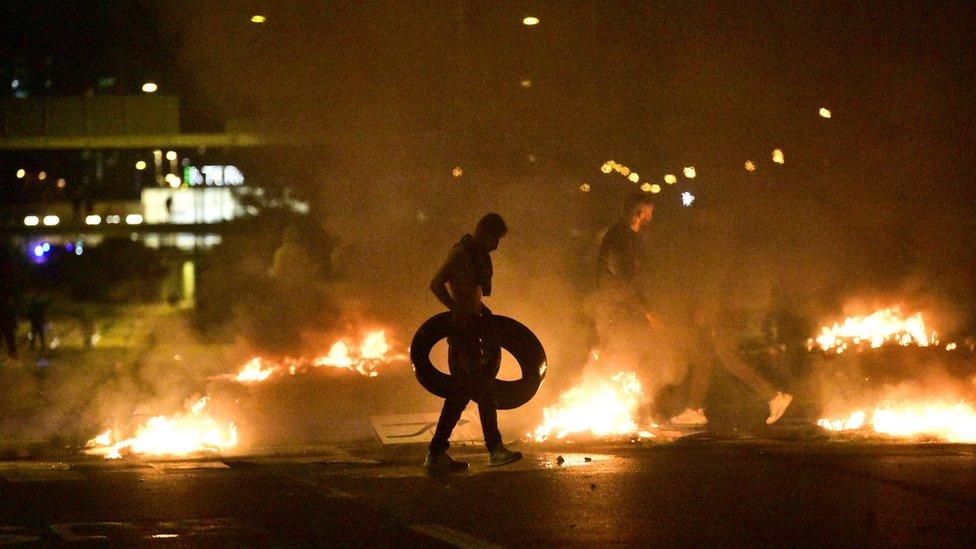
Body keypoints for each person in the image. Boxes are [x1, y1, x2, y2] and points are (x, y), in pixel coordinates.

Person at [424, 213, 522, 473]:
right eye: (495, 239)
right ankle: (494, 449)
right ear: (483, 232)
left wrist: (480, 312)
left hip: (471, 328)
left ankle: (436, 454)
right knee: (483, 389)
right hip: (462, 333)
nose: (496, 246)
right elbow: (436, 283)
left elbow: (473, 294)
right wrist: (455, 308)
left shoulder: (476, 255)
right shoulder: (461, 253)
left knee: (460, 394)